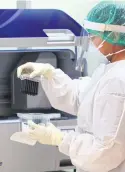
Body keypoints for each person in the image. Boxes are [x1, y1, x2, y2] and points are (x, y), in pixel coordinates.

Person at [17, 1, 125, 172]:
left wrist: (61, 139)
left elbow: (105, 152)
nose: (92, 42)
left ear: (114, 36)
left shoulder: (118, 80)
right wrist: (50, 74)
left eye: (94, 36)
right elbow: (82, 98)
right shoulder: (108, 71)